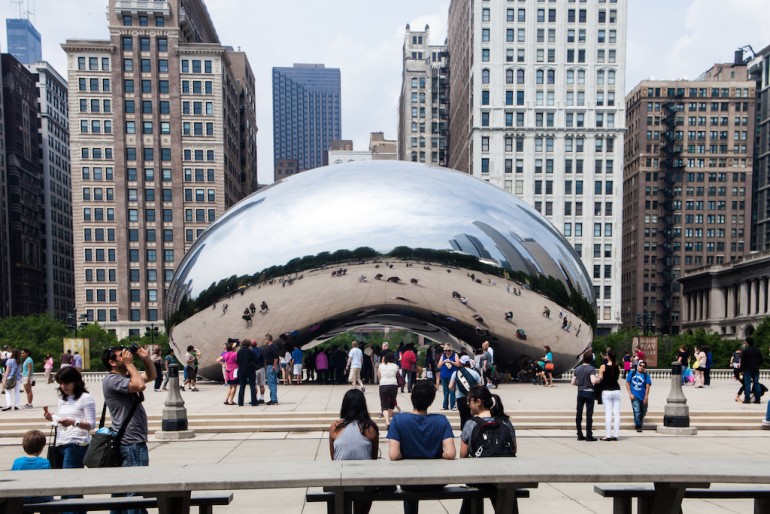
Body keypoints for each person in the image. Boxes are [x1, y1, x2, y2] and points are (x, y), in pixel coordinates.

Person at [101, 344, 156, 511]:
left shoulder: (123, 378)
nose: (125, 356)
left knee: (122, 492)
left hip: (130, 441)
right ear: (112, 362)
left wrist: (145, 358)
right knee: (134, 492)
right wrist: (130, 364)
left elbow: (152, 376)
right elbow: (140, 385)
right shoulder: (112, 380)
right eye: (120, 355)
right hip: (131, 442)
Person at [388, 380, 455, 514]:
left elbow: (394, 455)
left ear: (412, 398)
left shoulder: (398, 420)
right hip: (436, 482)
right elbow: (450, 453)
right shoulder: (441, 420)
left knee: (409, 491)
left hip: (409, 482)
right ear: (431, 401)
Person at [458, 385, 516, 514]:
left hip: (479, 478)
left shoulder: (471, 424)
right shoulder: (505, 422)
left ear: (478, 402)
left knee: (470, 499)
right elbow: (514, 449)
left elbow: (463, 455)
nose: (467, 404)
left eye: (469, 401)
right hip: (504, 477)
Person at [43, 366, 96, 506]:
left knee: (69, 486)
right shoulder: (63, 400)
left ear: (75, 382)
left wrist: (74, 422)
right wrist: (52, 417)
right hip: (61, 442)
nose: (63, 386)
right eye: (61, 383)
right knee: (67, 485)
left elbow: (91, 424)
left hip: (77, 444)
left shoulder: (86, 398)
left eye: (66, 383)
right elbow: (62, 419)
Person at [329, 389, 381, 514]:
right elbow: (373, 459)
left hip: (340, 482)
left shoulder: (335, 428)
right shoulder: (370, 428)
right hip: (365, 483)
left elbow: (333, 458)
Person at [11, 430, 53, 504]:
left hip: (22, 498)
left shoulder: (17, 462)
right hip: (42, 498)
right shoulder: (45, 462)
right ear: (42, 447)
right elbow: (48, 482)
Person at [572, 350, 598, 442]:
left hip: (580, 392)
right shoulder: (591, 369)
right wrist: (599, 379)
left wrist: (580, 384)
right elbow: (593, 381)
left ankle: (579, 433)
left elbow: (573, 382)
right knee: (589, 414)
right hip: (589, 392)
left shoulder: (577, 369)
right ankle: (589, 435)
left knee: (579, 413)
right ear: (591, 359)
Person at [449, 355, 481, 430]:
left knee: (463, 417)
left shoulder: (456, 373)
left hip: (460, 398)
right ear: (469, 363)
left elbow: (450, 387)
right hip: (472, 398)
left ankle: (464, 434)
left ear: (460, 362)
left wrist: (455, 388)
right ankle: (471, 432)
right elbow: (480, 386)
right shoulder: (475, 373)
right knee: (471, 417)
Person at [598, 349, 621, 441]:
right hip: (616, 390)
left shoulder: (603, 366)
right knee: (616, 413)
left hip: (606, 390)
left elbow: (600, 378)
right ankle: (615, 435)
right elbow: (617, 377)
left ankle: (607, 435)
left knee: (608, 413)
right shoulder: (617, 367)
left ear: (608, 356)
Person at [626, 360, 652, 433]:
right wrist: (630, 394)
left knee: (643, 411)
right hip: (634, 396)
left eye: (643, 366)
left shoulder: (646, 376)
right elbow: (627, 383)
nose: (641, 367)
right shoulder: (632, 373)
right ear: (638, 366)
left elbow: (647, 387)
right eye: (640, 365)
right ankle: (638, 425)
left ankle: (639, 420)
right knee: (637, 411)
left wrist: (646, 397)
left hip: (643, 396)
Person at [378, 351, 399, 427]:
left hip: (383, 384)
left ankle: (387, 422)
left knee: (384, 405)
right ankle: (388, 419)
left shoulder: (381, 366)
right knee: (391, 404)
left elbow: (379, 376)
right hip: (393, 385)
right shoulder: (396, 366)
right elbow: (397, 375)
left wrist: (381, 383)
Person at [740, 336, 764, 404]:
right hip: (755, 369)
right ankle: (758, 399)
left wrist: (741, 369)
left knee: (747, 384)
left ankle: (747, 399)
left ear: (747, 343)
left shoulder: (745, 351)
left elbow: (743, 361)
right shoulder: (757, 350)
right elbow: (761, 360)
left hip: (747, 369)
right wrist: (757, 365)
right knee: (756, 383)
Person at [437, 344, 460, 410]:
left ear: (451, 350)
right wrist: (443, 362)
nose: (447, 352)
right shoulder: (443, 356)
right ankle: (445, 406)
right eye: (446, 351)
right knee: (445, 391)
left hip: (452, 375)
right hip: (444, 375)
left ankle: (453, 406)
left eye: (449, 350)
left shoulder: (455, 355)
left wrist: (451, 362)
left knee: (452, 391)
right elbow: (438, 366)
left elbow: (458, 364)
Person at [216, 340, 239, 405]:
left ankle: (226, 399)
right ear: (232, 348)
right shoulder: (235, 354)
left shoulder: (226, 354)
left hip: (228, 371)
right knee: (234, 386)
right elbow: (238, 361)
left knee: (230, 387)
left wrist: (224, 364)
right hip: (234, 371)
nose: (235, 347)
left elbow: (217, 360)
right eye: (234, 347)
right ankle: (231, 400)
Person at [236, 339, 258, 406]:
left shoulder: (239, 352)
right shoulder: (250, 351)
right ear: (249, 344)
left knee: (242, 386)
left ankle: (240, 402)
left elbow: (237, 361)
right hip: (250, 370)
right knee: (252, 386)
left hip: (241, 370)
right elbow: (255, 359)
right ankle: (254, 402)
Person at [263, 334, 281, 405]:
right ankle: (273, 398)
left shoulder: (271, 347)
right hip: (272, 365)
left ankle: (274, 399)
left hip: (271, 366)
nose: (264, 341)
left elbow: (276, 357)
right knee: (273, 383)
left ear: (268, 340)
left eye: (265, 339)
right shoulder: (274, 346)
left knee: (271, 384)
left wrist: (274, 365)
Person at [251, 340, 266, 405]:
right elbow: (264, 358)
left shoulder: (251, 351)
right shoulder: (261, 350)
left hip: (254, 369)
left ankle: (255, 398)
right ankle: (262, 398)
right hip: (261, 368)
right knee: (262, 385)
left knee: (254, 385)